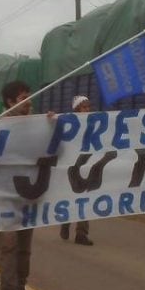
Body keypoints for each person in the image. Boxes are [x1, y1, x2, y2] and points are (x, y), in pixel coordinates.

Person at [0, 80, 35, 290]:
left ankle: (20, 286)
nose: (29, 101)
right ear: (10, 102)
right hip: (5, 197)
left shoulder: (37, 124)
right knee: (9, 245)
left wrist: (51, 125)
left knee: (24, 247)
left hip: (29, 196)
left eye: (30, 96)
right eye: (23, 97)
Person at [59, 95, 94, 246]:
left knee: (84, 199)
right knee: (71, 197)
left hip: (86, 165)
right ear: (76, 109)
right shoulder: (69, 124)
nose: (87, 110)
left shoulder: (93, 124)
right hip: (71, 166)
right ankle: (65, 222)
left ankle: (81, 233)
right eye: (84, 107)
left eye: (88, 107)